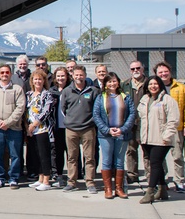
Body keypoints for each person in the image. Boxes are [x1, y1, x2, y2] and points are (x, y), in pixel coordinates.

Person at [137, 75, 180, 204]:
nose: (153, 86)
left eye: (155, 84)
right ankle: (162, 189)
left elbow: (173, 120)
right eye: (150, 84)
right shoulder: (145, 99)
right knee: (156, 164)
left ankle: (150, 191)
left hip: (161, 139)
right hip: (147, 138)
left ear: (160, 85)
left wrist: (166, 136)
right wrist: (140, 137)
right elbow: (141, 120)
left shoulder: (168, 100)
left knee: (155, 164)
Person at [93, 73, 136, 199]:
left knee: (119, 162)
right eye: (109, 82)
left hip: (122, 134)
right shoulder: (101, 98)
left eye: (114, 81)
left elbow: (132, 114)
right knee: (106, 161)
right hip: (105, 135)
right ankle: (108, 189)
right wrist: (107, 129)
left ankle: (119, 188)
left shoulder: (126, 98)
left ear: (118, 82)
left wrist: (122, 129)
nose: (112, 84)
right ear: (105, 84)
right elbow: (96, 115)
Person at [0, 64, 26, 189]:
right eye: (2, 73)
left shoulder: (17, 89)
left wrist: (8, 122)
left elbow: (20, 108)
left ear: (10, 74)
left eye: (7, 72)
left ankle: (14, 178)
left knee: (15, 155)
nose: (4, 75)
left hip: (14, 128)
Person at [60, 65, 100, 194]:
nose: (79, 77)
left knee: (89, 157)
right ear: (72, 76)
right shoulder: (67, 91)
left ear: (85, 75)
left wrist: (90, 121)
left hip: (88, 128)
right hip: (71, 129)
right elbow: (63, 109)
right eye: (76, 75)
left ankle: (90, 182)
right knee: (72, 157)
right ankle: (71, 182)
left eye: (81, 75)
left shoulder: (93, 91)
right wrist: (71, 120)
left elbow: (97, 109)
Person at [156, 62, 185, 193]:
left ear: (170, 72)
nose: (163, 74)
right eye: (160, 72)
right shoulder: (154, 87)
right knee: (160, 157)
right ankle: (162, 181)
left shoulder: (180, 88)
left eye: (165, 71)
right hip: (160, 128)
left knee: (177, 156)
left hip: (177, 128)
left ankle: (179, 181)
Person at [25, 69, 56, 191]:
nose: (37, 81)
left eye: (40, 79)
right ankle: (40, 178)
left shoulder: (47, 94)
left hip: (43, 129)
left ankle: (47, 181)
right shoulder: (29, 94)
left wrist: (35, 124)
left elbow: (46, 111)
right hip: (31, 130)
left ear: (44, 81)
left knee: (44, 155)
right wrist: (28, 127)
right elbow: (26, 112)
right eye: (35, 79)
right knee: (36, 155)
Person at [121, 61, 148, 184]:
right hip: (130, 122)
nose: (135, 70)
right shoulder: (125, 85)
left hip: (146, 122)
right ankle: (132, 174)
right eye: (133, 69)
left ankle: (150, 174)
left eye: (138, 68)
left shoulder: (149, 83)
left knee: (147, 149)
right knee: (131, 149)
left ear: (142, 69)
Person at [50, 67, 71, 187]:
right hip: (57, 126)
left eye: (63, 76)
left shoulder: (71, 90)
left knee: (71, 153)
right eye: (58, 76)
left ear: (67, 77)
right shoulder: (52, 91)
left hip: (70, 127)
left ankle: (73, 176)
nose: (60, 78)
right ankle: (59, 176)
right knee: (57, 153)